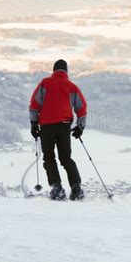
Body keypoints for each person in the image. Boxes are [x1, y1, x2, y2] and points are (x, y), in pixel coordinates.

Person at [29, 59, 87, 200]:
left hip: (47, 127)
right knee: (66, 158)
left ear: (54, 70)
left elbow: (34, 104)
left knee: (49, 158)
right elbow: (82, 107)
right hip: (64, 126)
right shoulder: (71, 87)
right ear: (66, 71)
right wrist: (80, 126)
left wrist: (34, 124)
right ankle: (76, 188)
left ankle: (57, 188)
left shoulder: (45, 83)